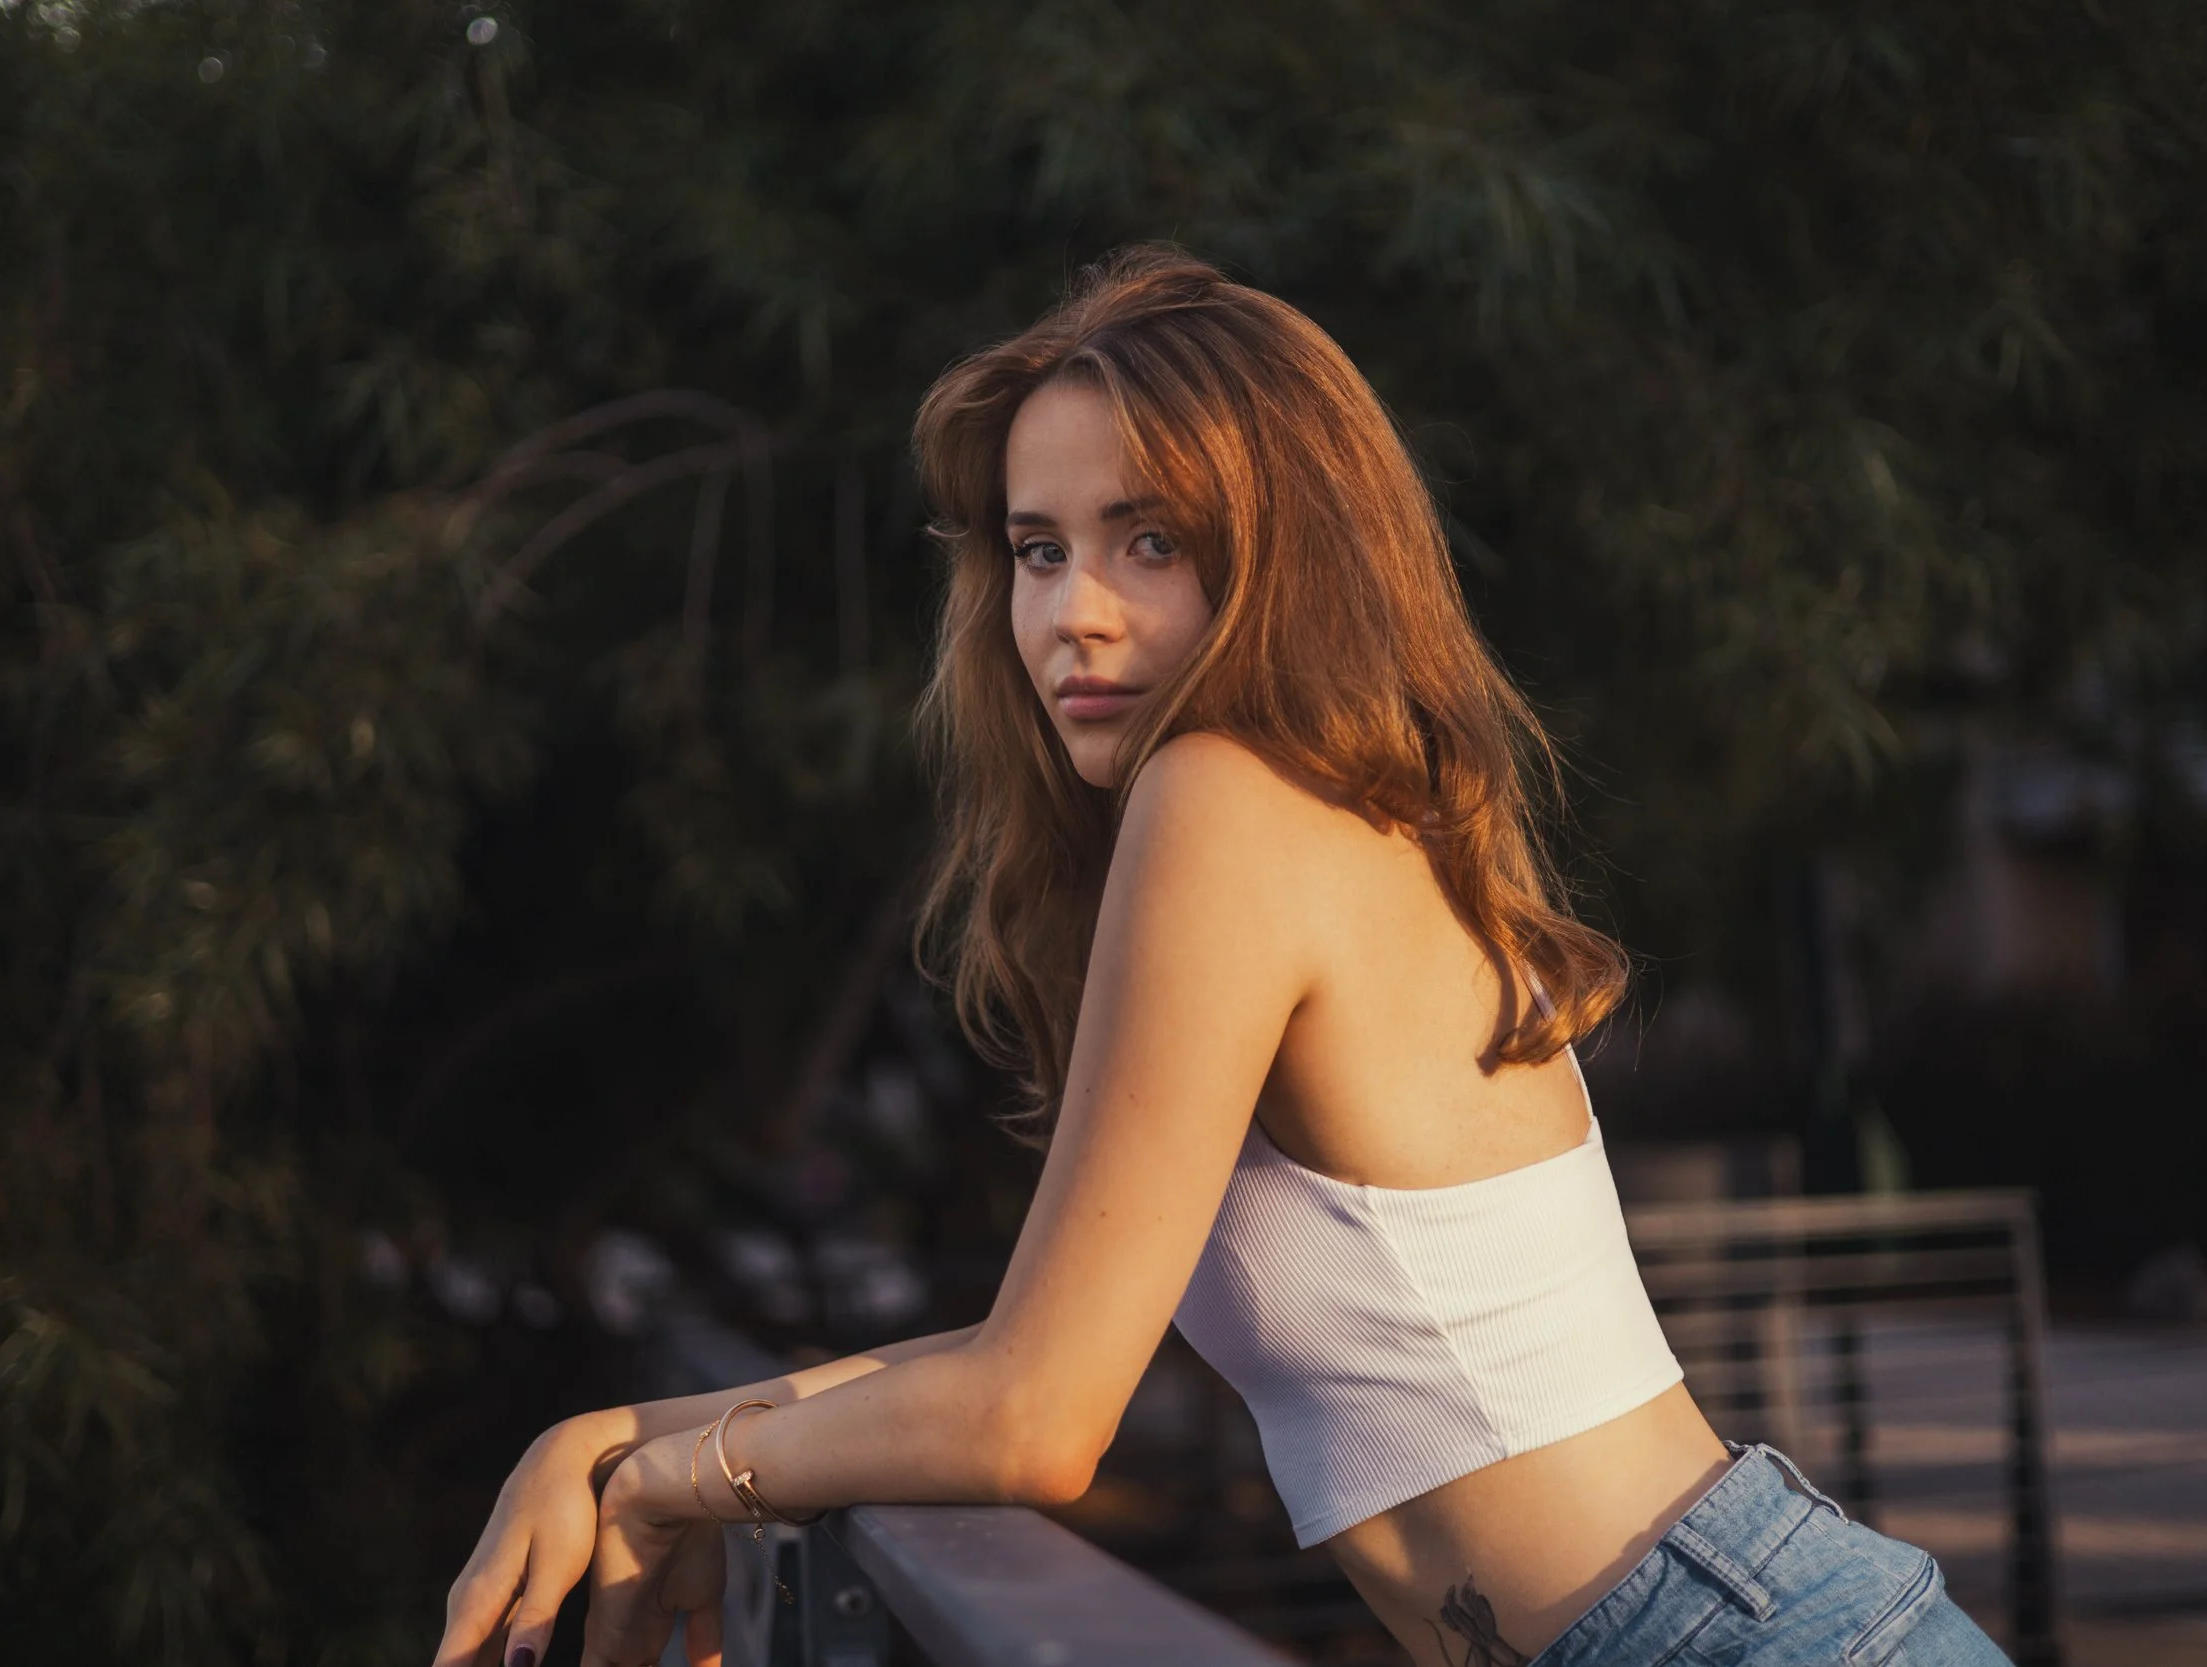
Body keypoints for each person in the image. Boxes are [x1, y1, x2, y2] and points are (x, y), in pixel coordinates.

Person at [431, 249, 2012, 1667]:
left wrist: (671, 1471)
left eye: (1151, 540)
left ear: (1286, 551)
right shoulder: (1314, 810)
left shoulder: (1235, 798)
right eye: (1037, 549)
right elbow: (1018, 1350)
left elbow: (1038, 1416)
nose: (1074, 616)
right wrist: (626, 1431)